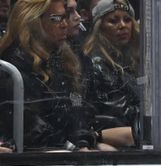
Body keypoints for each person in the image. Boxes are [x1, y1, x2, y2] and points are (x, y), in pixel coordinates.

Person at [0, 0, 100, 150]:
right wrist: (74, 149)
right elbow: (31, 127)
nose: (65, 24)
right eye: (56, 19)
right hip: (36, 160)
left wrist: (85, 142)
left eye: (64, 17)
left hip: (63, 154)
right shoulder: (13, 64)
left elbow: (78, 113)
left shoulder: (64, 60)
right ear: (33, 22)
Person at [82, 0, 139, 148]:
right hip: (112, 142)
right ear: (99, 27)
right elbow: (116, 115)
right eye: (113, 21)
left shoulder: (134, 61)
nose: (122, 25)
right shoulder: (95, 65)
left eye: (127, 19)